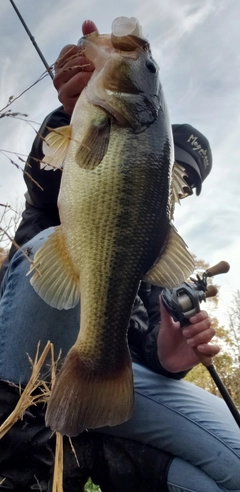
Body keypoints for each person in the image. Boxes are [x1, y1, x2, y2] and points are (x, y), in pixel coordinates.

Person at [0, 19, 239, 492]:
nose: (179, 187)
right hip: (32, 347)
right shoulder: (89, 131)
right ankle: (21, 456)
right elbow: (46, 195)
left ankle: (91, 446)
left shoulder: (155, 245)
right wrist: (67, 117)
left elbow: (149, 341)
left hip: (105, 373)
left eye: (188, 185)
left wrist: (172, 356)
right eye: (177, 172)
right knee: (50, 241)